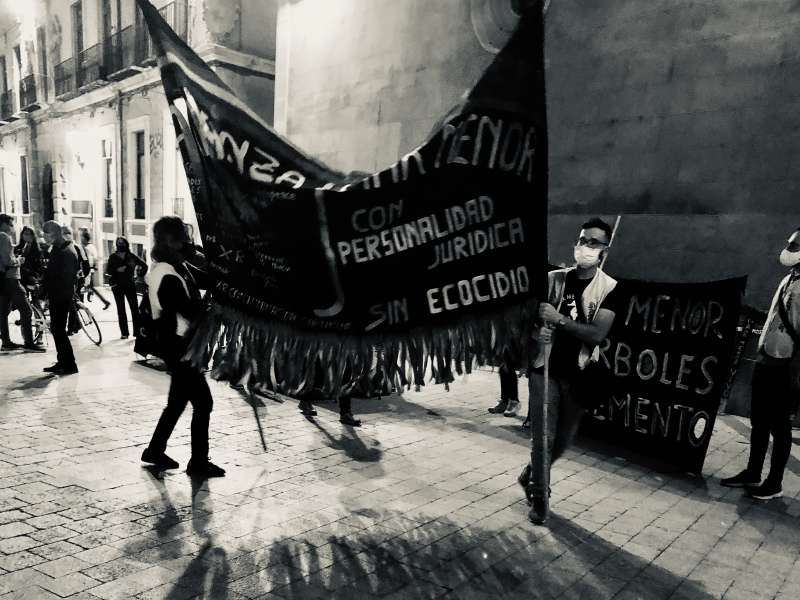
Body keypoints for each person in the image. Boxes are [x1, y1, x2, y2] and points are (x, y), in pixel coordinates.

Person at [520, 218, 621, 524]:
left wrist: (559, 320)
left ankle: (531, 474)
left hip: (579, 374)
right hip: (544, 368)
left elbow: (596, 334)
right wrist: (538, 331)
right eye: (582, 240)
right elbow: (529, 319)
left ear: (604, 249)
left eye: (593, 242)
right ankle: (541, 497)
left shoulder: (610, 288)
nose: (585, 247)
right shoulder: (553, 279)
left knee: (562, 441)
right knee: (543, 439)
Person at [141, 216, 225, 478]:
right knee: (204, 403)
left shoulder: (177, 266)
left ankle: (154, 451)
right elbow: (189, 310)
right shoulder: (165, 274)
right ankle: (198, 462)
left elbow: (207, 280)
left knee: (177, 403)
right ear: (171, 241)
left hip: (182, 345)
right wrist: (214, 309)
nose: (188, 241)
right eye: (183, 237)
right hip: (179, 347)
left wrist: (208, 261)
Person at [721, 228, 800, 500]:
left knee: (779, 426)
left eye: (796, 244)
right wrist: (748, 310)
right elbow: (776, 319)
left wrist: (795, 374)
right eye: (790, 242)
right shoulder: (788, 280)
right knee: (759, 421)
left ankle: (774, 482)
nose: (790, 247)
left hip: (787, 366)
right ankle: (753, 472)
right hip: (766, 360)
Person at [0, 215, 45, 352]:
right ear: (4, 224)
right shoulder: (4, 237)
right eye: (11, 224)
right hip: (11, 278)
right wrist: (19, 260)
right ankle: (29, 342)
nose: (12, 227)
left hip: (2, 279)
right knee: (26, 310)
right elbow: (8, 261)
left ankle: (6, 341)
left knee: (3, 311)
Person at [41, 221, 81, 374]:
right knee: (57, 330)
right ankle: (63, 361)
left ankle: (70, 365)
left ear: (54, 234)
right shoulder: (60, 248)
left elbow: (64, 277)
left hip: (61, 296)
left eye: (46, 233)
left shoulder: (66, 251)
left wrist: (47, 290)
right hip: (58, 295)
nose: (44, 237)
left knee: (59, 330)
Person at [106, 236, 147, 339]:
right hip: (117, 286)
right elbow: (108, 271)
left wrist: (139, 276)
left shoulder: (131, 256)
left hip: (130, 285)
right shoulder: (112, 257)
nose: (120, 244)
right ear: (116, 244)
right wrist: (117, 270)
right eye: (118, 243)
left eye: (122, 242)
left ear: (126, 244)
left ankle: (137, 332)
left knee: (134, 309)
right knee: (121, 309)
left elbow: (144, 266)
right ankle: (124, 333)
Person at [63, 226, 90, 335]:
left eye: (68, 233)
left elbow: (86, 264)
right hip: (65, 281)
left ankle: (71, 328)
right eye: (64, 233)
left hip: (77, 280)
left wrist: (83, 277)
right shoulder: (60, 248)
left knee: (74, 304)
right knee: (69, 304)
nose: (66, 235)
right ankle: (75, 325)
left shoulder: (78, 248)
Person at [80, 230, 110, 310]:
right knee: (89, 287)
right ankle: (103, 300)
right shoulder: (89, 247)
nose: (81, 239)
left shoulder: (88, 248)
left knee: (86, 287)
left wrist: (93, 267)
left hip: (89, 270)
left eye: (82, 237)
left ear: (85, 239)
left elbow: (93, 259)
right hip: (88, 270)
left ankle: (104, 301)